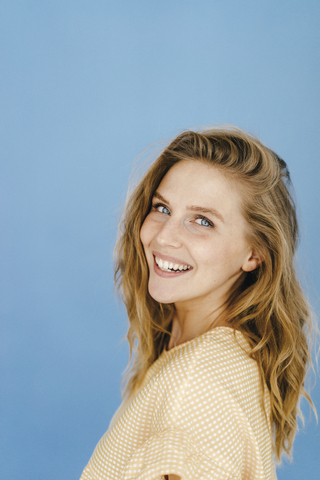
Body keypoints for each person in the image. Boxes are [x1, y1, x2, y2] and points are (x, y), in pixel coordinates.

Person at [80, 126, 315, 480]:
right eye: (162, 207)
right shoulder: (229, 357)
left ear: (255, 253)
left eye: (202, 221)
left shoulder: (196, 385)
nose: (163, 236)